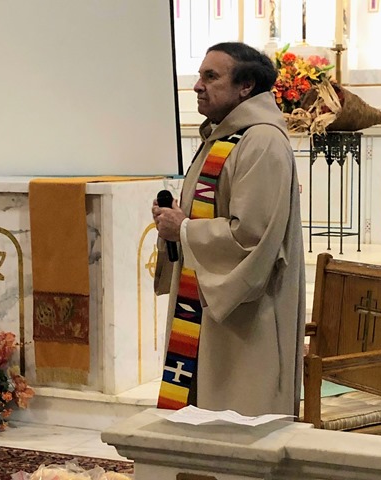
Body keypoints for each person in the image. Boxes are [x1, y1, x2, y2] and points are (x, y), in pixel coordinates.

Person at [152, 42, 305, 417]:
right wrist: (176, 220)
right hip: (206, 308)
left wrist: (184, 229)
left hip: (246, 319)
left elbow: (250, 238)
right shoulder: (224, 137)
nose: (197, 86)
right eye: (199, 76)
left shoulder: (262, 142)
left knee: (240, 422)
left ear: (246, 86)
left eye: (211, 76)